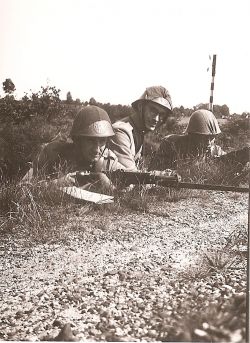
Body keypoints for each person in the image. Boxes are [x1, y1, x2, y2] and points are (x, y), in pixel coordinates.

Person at [31, 105, 124, 192]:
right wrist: (55, 184)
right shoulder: (52, 153)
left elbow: (133, 182)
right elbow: (24, 186)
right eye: (90, 141)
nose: (96, 149)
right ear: (78, 140)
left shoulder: (108, 161)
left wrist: (110, 187)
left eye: (102, 141)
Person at [149, 109, 249, 172]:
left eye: (212, 137)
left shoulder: (215, 150)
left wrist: (243, 157)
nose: (209, 143)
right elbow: (154, 172)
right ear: (192, 135)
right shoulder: (171, 144)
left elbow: (228, 163)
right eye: (204, 137)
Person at [109, 86, 174, 171]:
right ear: (140, 107)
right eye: (153, 110)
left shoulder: (138, 132)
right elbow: (130, 176)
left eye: (162, 114)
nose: (156, 119)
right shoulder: (121, 131)